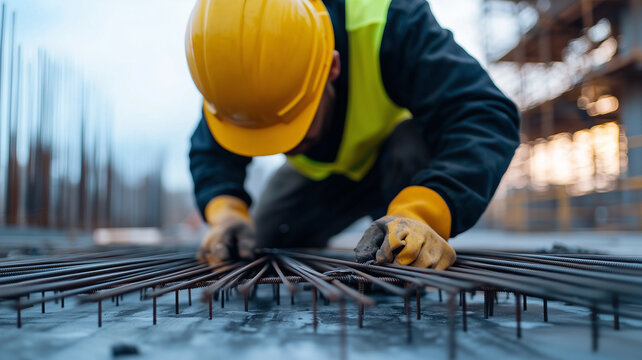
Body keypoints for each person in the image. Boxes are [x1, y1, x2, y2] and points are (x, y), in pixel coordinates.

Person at [186, 0, 520, 269]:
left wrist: (425, 210)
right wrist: (226, 213)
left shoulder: (391, 21)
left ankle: (400, 260)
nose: (284, 146)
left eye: (291, 123)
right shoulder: (231, 67)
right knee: (260, 241)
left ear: (331, 67)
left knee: (410, 151)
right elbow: (211, 154)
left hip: (403, 165)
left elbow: (484, 115)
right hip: (324, 180)